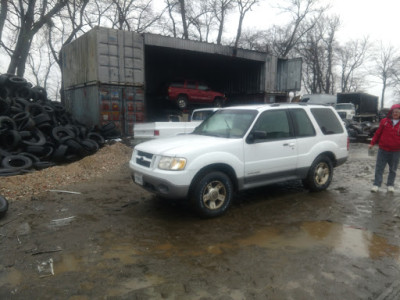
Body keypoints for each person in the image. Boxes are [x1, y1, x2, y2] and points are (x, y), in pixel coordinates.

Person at [369, 104, 400, 193]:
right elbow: (378, 133)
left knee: (393, 169)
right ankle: (376, 185)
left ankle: (390, 185)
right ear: (391, 112)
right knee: (379, 168)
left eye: (397, 112)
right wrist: (372, 143)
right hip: (383, 149)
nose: (395, 113)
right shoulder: (384, 121)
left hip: (396, 151)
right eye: (394, 112)